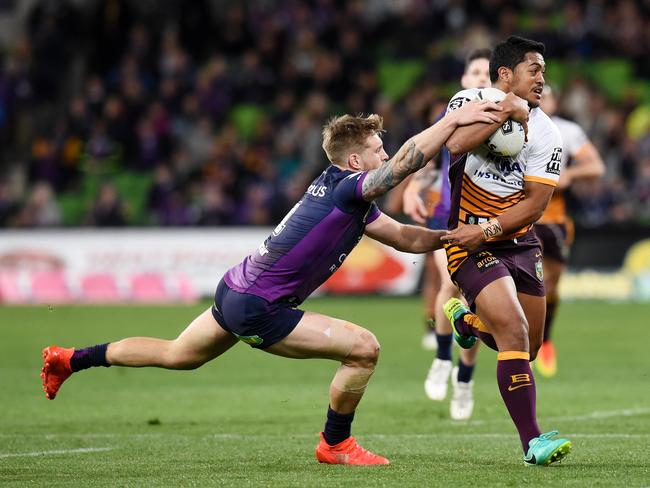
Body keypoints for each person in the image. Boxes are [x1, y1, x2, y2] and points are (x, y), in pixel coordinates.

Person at [41, 100, 501, 466]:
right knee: (364, 348)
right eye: (379, 149)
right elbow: (403, 166)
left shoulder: (347, 197)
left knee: (176, 354)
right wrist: (453, 120)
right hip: (257, 304)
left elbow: (402, 237)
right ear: (357, 159)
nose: (386, 154)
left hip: (235, 289)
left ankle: (70, 360)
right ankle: (335, 444)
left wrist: (452, 236)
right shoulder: (347, 186)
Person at [439, 36, 572, 465]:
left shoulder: (547, 131)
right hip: (468, 243)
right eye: (534, 70)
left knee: (526, 348)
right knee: (513, 331)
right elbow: (455, 147)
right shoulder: (470, 101)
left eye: (544, 72)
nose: (542, 80)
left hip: (517, 240)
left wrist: (492, 229)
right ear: (505, 74)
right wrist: (506, 114)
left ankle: (467, 321)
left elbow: (535, 204)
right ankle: (532, 442)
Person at [403, 48, 491, 420]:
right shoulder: (451, 115)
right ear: (464, 79)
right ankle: (441, 357)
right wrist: (412, 186)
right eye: (475, 72)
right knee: (450, 285)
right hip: (447, 218)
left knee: (476, 305)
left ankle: (465, 379)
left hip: (487, 222)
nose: (482, 78)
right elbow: (430, 156)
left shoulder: (510, 119)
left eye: (488, 72)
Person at [534, 85, 605, 377]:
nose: (544, 99)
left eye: (549, 95)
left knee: (551, 283)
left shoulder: (567, 130)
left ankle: (545, 338)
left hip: (555, 219)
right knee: (519, 279)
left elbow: (597, 167)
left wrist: (570, 174)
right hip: (520, 217)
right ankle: (521, 339)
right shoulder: (514, 126)